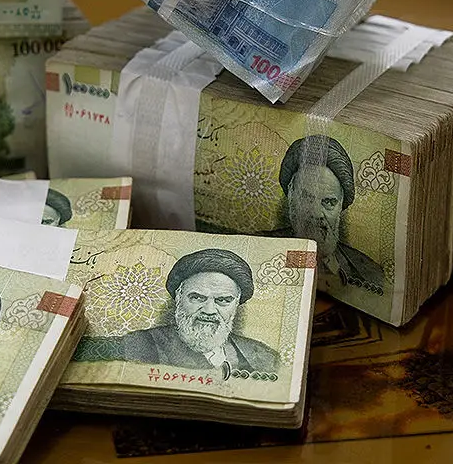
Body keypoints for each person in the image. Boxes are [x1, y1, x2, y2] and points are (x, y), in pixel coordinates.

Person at [106, 248, 278, 371]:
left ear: (236, 304)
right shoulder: (138, 346)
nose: (209, 310)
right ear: (179, 298)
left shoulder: (265, 357)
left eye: (223, 300)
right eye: (197, 298)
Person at [280, 135, 384, 294]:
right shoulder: (259, 249)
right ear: (290, 195)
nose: (316, 213)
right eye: (306, 198)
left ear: (341, 205)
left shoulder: (371, 274)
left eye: (328, 202)